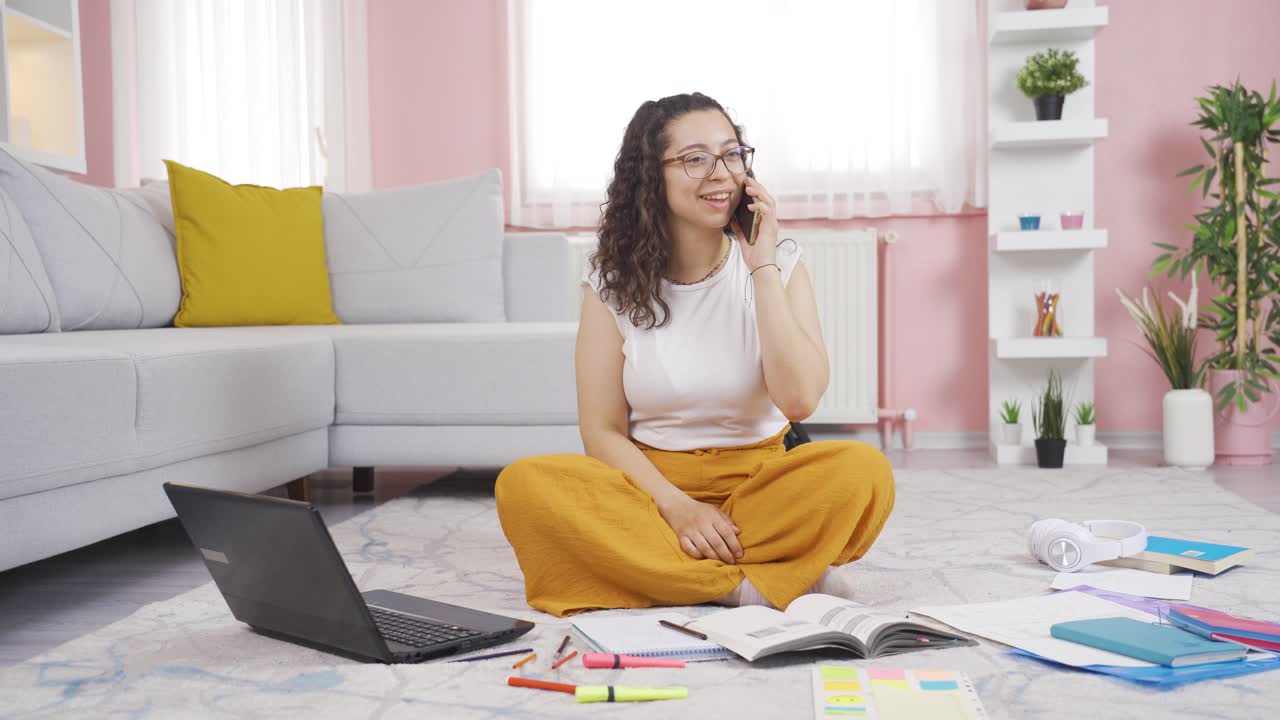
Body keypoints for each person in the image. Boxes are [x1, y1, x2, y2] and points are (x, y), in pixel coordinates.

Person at [496, 92, 894, 617]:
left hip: (761, 484)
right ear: (650, 178)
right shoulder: (609, 288)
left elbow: (799, 401)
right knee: (524, 486)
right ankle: (746, 584)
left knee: (861, 470)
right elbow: (602, 431)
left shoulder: (783, 265)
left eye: (731, 154)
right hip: (653, 492)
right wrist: (678, 508)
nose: (721, 173)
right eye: (694, 159)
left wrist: (762, 266)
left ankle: (665, 575)